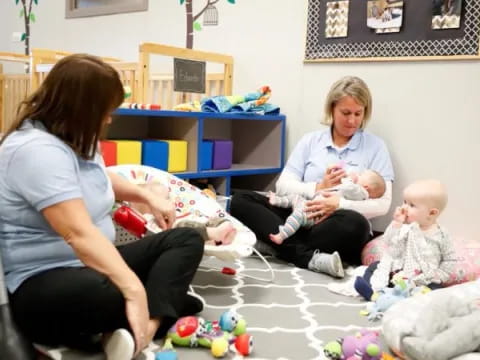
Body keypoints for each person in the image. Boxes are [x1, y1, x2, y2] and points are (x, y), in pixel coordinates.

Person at [0, 54, 205, 360]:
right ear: (82, 108)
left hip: (94, 263)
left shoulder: (76, 137)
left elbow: (100, 176)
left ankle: (145, 326)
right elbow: (78, 235)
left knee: (186, 239)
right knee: (110, 292)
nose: (109, 119)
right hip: (42, 279)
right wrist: (134, 289)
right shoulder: (35, 150)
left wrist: (146, 195)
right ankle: (158, 308)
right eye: (106, 111)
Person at [230, 76, 394, 278]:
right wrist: (318, 188)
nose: (352, 121)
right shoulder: (310, 142)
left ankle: (278, 246)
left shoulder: (375, 147)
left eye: (358, 114)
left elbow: (383, 204)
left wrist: (338, 204)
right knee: (240, 199)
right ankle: (307, 257)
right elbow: (283, 186)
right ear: (331, 110)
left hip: (332, 226)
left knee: (356, 225)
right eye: (345, 113)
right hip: (298, 215)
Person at [354, 179, 457, 301]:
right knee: (375, 266)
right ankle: (372, 292)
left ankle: (410, 299)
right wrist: (397, 223)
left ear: (432, 213)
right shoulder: (404, 227)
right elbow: (388, 241)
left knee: (435, 291)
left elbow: (450, 259)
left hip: (422, 278)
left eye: (411, 205)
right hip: (396, 273)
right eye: (405, 202)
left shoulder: (441, 235)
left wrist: (438, 275)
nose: (404, 208)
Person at [267, 169, 386, 247]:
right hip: (311, 204)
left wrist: (350, 179)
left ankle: (282, 235)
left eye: (361, 176)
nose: (358, 175)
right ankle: (277, 200)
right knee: (295, 197)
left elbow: (348, 187)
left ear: (366, 187)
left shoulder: (360, 192)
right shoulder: (357, 190)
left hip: (315, 214)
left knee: (297, 216)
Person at [131, 183, 237, 246]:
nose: (170, 202)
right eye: (165, 199)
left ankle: (223, 226)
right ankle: (215, 233)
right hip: (184, 231)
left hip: (200, 224)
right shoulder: (150, 219)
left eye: (169, 198)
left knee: (208, 220)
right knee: (183, 228)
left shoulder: (173, 211)